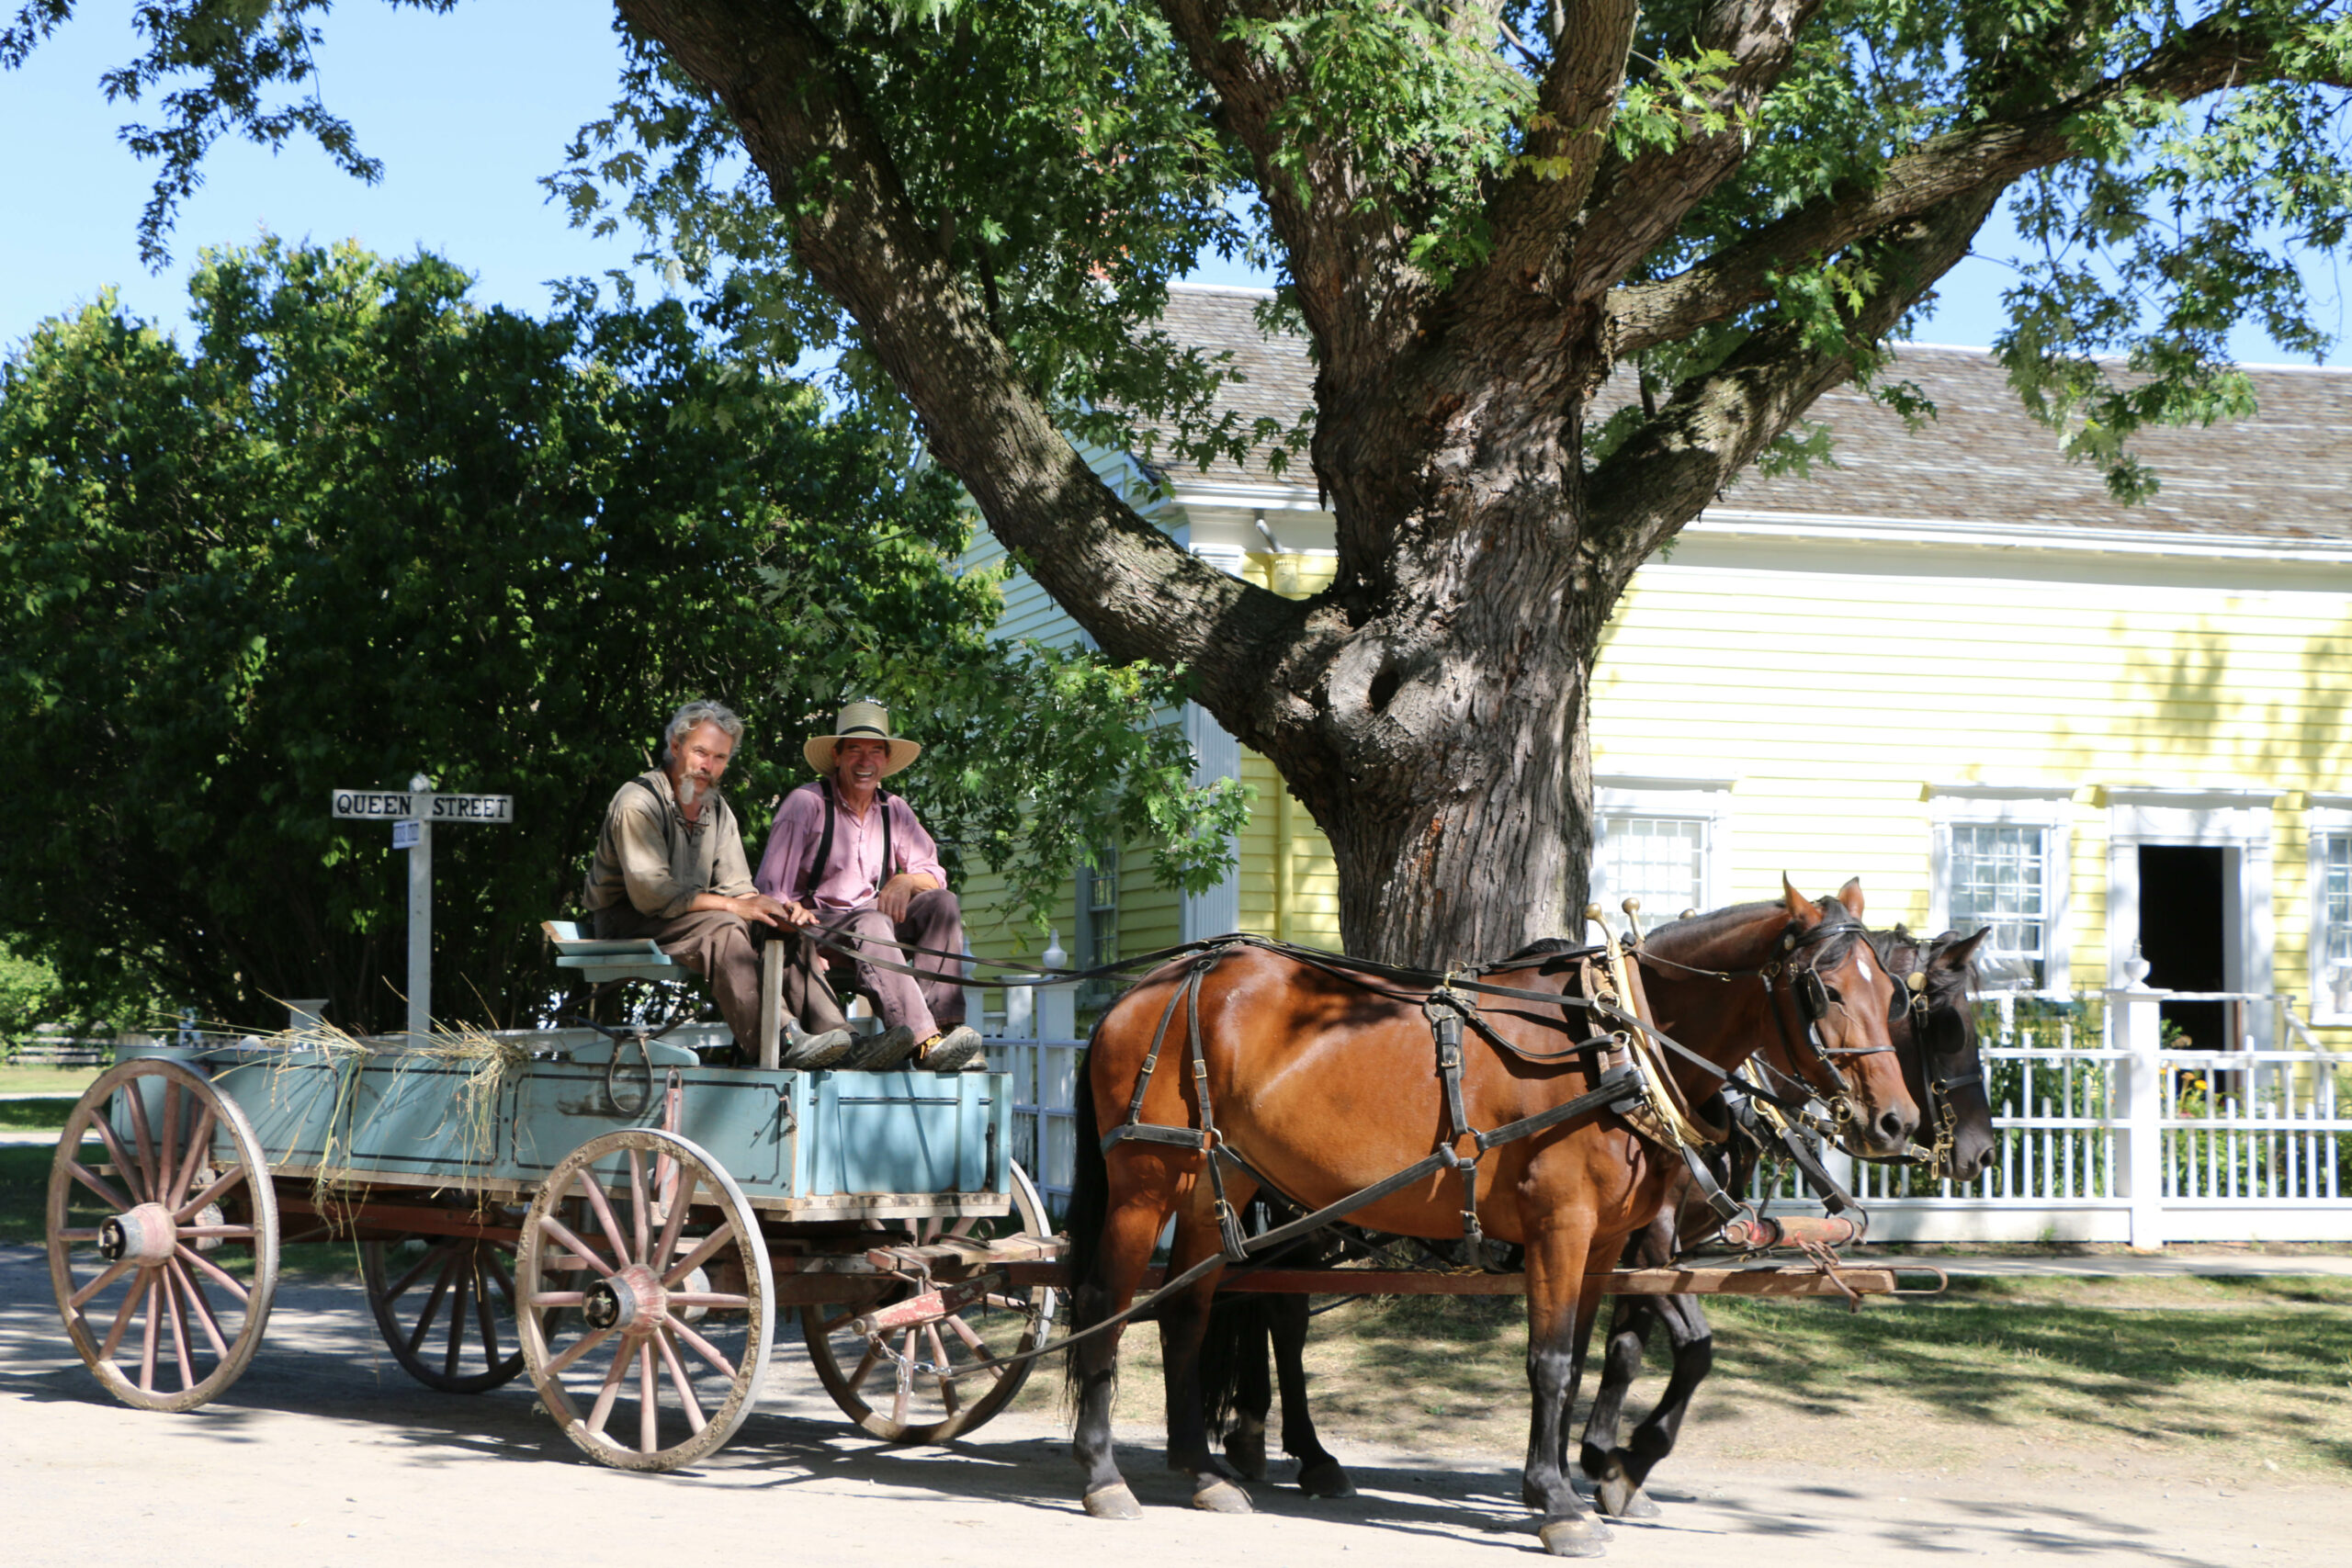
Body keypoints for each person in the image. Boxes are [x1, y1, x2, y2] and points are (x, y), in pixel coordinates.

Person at [581, 699, 852, 1066]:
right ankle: (782, 1041)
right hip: (627, 920)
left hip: (687, 917)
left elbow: (738, 887)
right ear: (675, 747)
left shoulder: (716, 809)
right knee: (724, 928)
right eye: (700, 752)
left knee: (784, 926)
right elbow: (652, 895)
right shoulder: (637, 801)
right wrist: (735, 906)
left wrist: (778, 909)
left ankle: (838, 1039)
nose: (709, 766)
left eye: (720, 758)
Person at [755, 700, 986, 1072]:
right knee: (873, 921)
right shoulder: (806, 803)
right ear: (837, 755)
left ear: (886, 759)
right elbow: (769, 891)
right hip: (817, 928)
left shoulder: (894, 810)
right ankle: (921, 1041)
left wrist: (906, 880)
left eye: (875, 752)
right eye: (855, 751)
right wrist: (800, 933)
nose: (865, 761)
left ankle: (945, 1029)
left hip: (871, 928)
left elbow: (935, 874)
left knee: (941, 903)